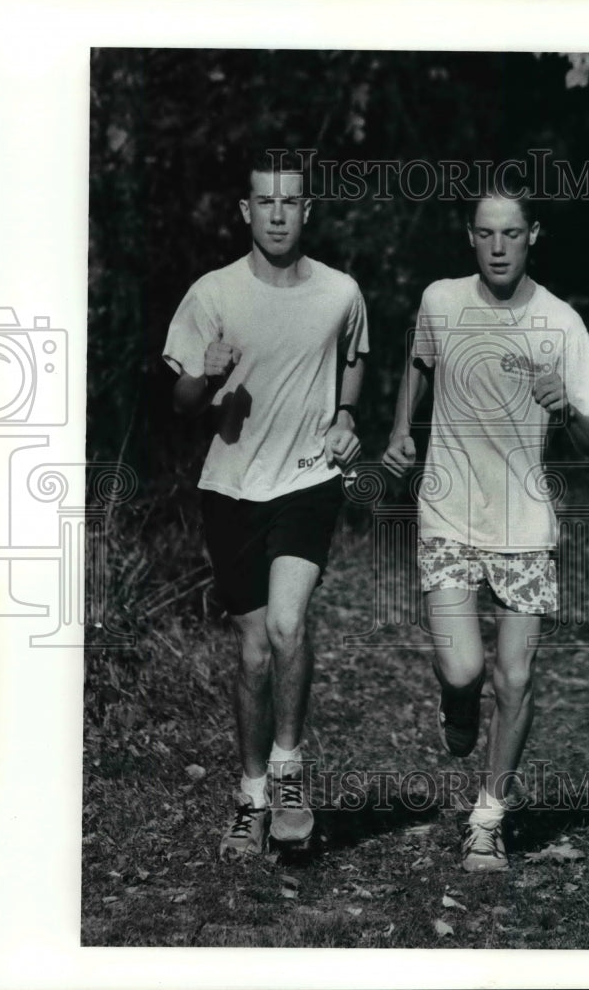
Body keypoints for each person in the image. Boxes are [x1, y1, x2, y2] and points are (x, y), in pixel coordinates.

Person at [382, 171, 589, 872]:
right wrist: (400, 432)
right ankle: (455, 700)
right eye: (487, 233)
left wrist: (565, 408)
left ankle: (489, 818)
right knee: (465, 667)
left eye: (513, 233)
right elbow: (417, 365)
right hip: (448, 513)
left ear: (533, 236)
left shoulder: (561, 322)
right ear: (471, 236)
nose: (499, 246)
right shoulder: (441, 302)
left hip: (524, 526)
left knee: (514, 678)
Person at [162, 150, 369, 857]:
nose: (278, 214)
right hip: (231, 487)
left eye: (291, 202)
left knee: (287, 623)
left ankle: (287, 770)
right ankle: (250, 797)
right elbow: (182, 401)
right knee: (252, 652)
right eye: (265, 202)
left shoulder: (341, 292)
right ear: (247, 211)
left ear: (308, 210)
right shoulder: (212, 295)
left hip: (309, 480)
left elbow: (356, 355)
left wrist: (345, 417)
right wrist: (203, 375)